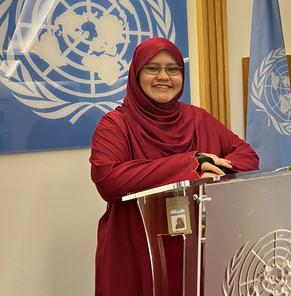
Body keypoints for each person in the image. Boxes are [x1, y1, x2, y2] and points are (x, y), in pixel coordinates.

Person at [90, 37, 259, 296]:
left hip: (195, 245)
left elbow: (247, 156)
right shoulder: (115, 124)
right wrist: (190, 163)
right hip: (139, 246)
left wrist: (215, 167)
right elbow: (109, 180)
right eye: (152, 68)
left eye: (173, 69)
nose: (164, 76)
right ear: (136, 74)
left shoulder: (198, 118)